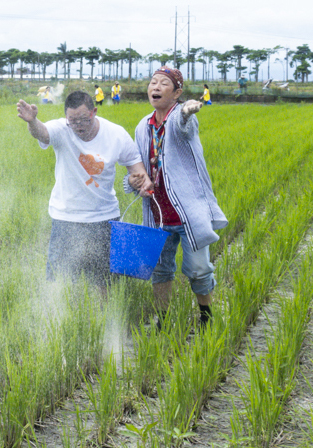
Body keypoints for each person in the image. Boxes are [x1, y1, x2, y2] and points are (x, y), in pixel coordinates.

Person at [17, 90, 152, 288]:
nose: (78, 126)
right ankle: (63, 317)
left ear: (94, 111)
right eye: (73, 121)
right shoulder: (62, 129)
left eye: (83, 119)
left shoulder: (115, 134)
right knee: (60, 280)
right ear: (66, 118)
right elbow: (43, 132)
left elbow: (136, 168)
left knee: (103, 281)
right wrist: (32, 122)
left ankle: (101, 317)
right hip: (66, 217)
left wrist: (141, 181)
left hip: (104, 217)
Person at [125, 67, 227, 328]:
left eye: (164, 84)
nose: (155, 87)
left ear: (177, 92)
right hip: (157, 213)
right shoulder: (142, 126)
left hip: (187, 213)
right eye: (153, 82)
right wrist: (136, 181)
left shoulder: (181, 118)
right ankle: (163, 319)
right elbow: (137, 167)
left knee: (199, 269)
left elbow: (183, 124)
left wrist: (186, 111)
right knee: (160, 270)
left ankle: (206, 317)